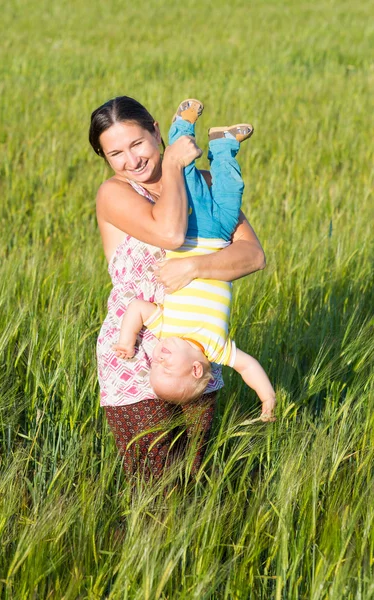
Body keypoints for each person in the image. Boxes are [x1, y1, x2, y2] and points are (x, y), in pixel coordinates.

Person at [89, 96, 266, 481]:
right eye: (115, 153)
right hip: (133, 354)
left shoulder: (203, 183)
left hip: (195, 357)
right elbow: (170, 233)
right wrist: (171, 163)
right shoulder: (115, 194)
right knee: (155, 479)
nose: (131, 160)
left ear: (156, 130)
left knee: (194, 470)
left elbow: (252, 256)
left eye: (137, 143)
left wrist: (196, 267)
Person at [112, 101, 276, 421]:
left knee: (191, 183)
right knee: (231, 188)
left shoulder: (166, 329)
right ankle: (224, 145)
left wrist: (126, 340)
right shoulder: (217, 349)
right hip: (222, 234)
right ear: (197, 368)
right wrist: (267, 398)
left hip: (193, 233)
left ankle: (182, 129)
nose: (157, 358)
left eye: (154, 365)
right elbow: (248, 366)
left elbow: (138, 308)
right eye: (166, 365)